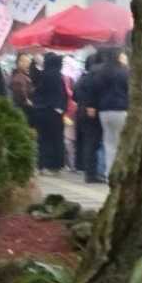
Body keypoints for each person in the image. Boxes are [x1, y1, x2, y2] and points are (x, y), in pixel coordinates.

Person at [92, 47, 130, 179]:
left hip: (104, 111)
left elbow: (96, 91)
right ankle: (121, 171)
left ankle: (109, 172)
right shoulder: (124, 72)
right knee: (121, 141)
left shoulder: (101, 72)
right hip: (120, 109)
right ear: (118, 56)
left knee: (109, 142)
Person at [29, 53, 67, 174]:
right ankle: (55, 165)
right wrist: (60, 108)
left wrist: (34, 64)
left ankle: (41, 165)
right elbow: (62, 95)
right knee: (55, 139)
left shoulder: (41, 75)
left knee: (42, 139)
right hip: (53, 112)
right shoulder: (56, 76)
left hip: (39, 111)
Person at [74, 55, 105, 183]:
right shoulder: (93, 78)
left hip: (81, 111)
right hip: (91, 112)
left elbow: (75, 96)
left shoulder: (81, 79)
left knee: (88, 142)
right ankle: (92, 173)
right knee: (92, 142)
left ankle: (89, 170)